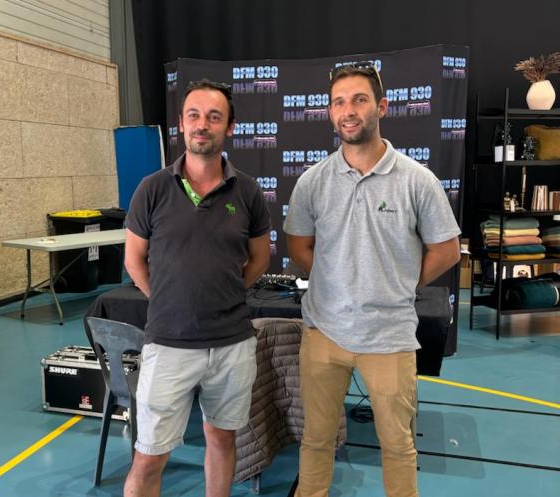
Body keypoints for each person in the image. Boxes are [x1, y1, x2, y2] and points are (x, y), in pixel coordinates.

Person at [284, 64, 461, 497]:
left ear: (380, 107)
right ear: (329, 112)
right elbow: (299, 247)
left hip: (390, 337)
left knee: (397, 446)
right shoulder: (312, 182)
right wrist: (335, 280)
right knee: (317, 440)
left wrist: (397, 283)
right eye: (339, 102)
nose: (349, 110)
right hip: (324, 333)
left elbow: (447, 251)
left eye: (359, 99)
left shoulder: (417, 181)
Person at [123, 79, 271, 497]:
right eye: (193, 115)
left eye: (213, 117)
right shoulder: (151, 189)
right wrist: (168, 298)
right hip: (168, 344)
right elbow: (133, 260)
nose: (202, 125)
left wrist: (226, 292)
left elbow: (260, 258)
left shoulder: (248, 192)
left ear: (230, 128)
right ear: (181, 125)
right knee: (149, 455)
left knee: (221, 439)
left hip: (231, 346)